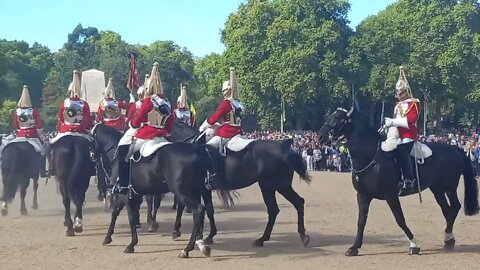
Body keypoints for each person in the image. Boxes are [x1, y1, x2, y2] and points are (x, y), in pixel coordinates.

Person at [113, 62, 175, 194]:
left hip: (147, 134)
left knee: (123, 147)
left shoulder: (149, 101)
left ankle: (123, 184)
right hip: (162, 136)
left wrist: (132, 125)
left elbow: (136, 121)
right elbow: (170, 125)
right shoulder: (168, 102)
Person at [382, 66, 421, 194]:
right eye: (397, 92)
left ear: (406, 91)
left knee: (401, 153)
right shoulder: (397, 105)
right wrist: (386, 126)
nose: (398, 94)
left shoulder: (414, 103)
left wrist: (393, 122)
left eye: (401, 92)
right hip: (396, 136)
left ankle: (409, 180)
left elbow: (411, 121)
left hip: (409, 136)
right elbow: (394, 121)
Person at [199, 67, 244, 155]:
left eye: (224, 91)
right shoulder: (239, 103)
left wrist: (203, 127)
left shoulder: (227, 103)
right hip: (239, 131)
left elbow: (215, 117)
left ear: (227, 90)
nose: (223, 93)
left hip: (227, 133)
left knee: (207, 149)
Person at [12, 85, 48, 177]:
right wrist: (40, 133)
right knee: (42, 151)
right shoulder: (33, 111)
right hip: (32, 135)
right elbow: (39, 125)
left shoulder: (17, 112)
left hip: (20, 135)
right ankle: (42, 171)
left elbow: (16, 125)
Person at [56, 70, 93, 135]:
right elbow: (87, 121)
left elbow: (61, 119)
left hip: (65, 129)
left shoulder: (64, 103)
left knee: (53, 143)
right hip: (81, 129)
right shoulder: (84, 104)